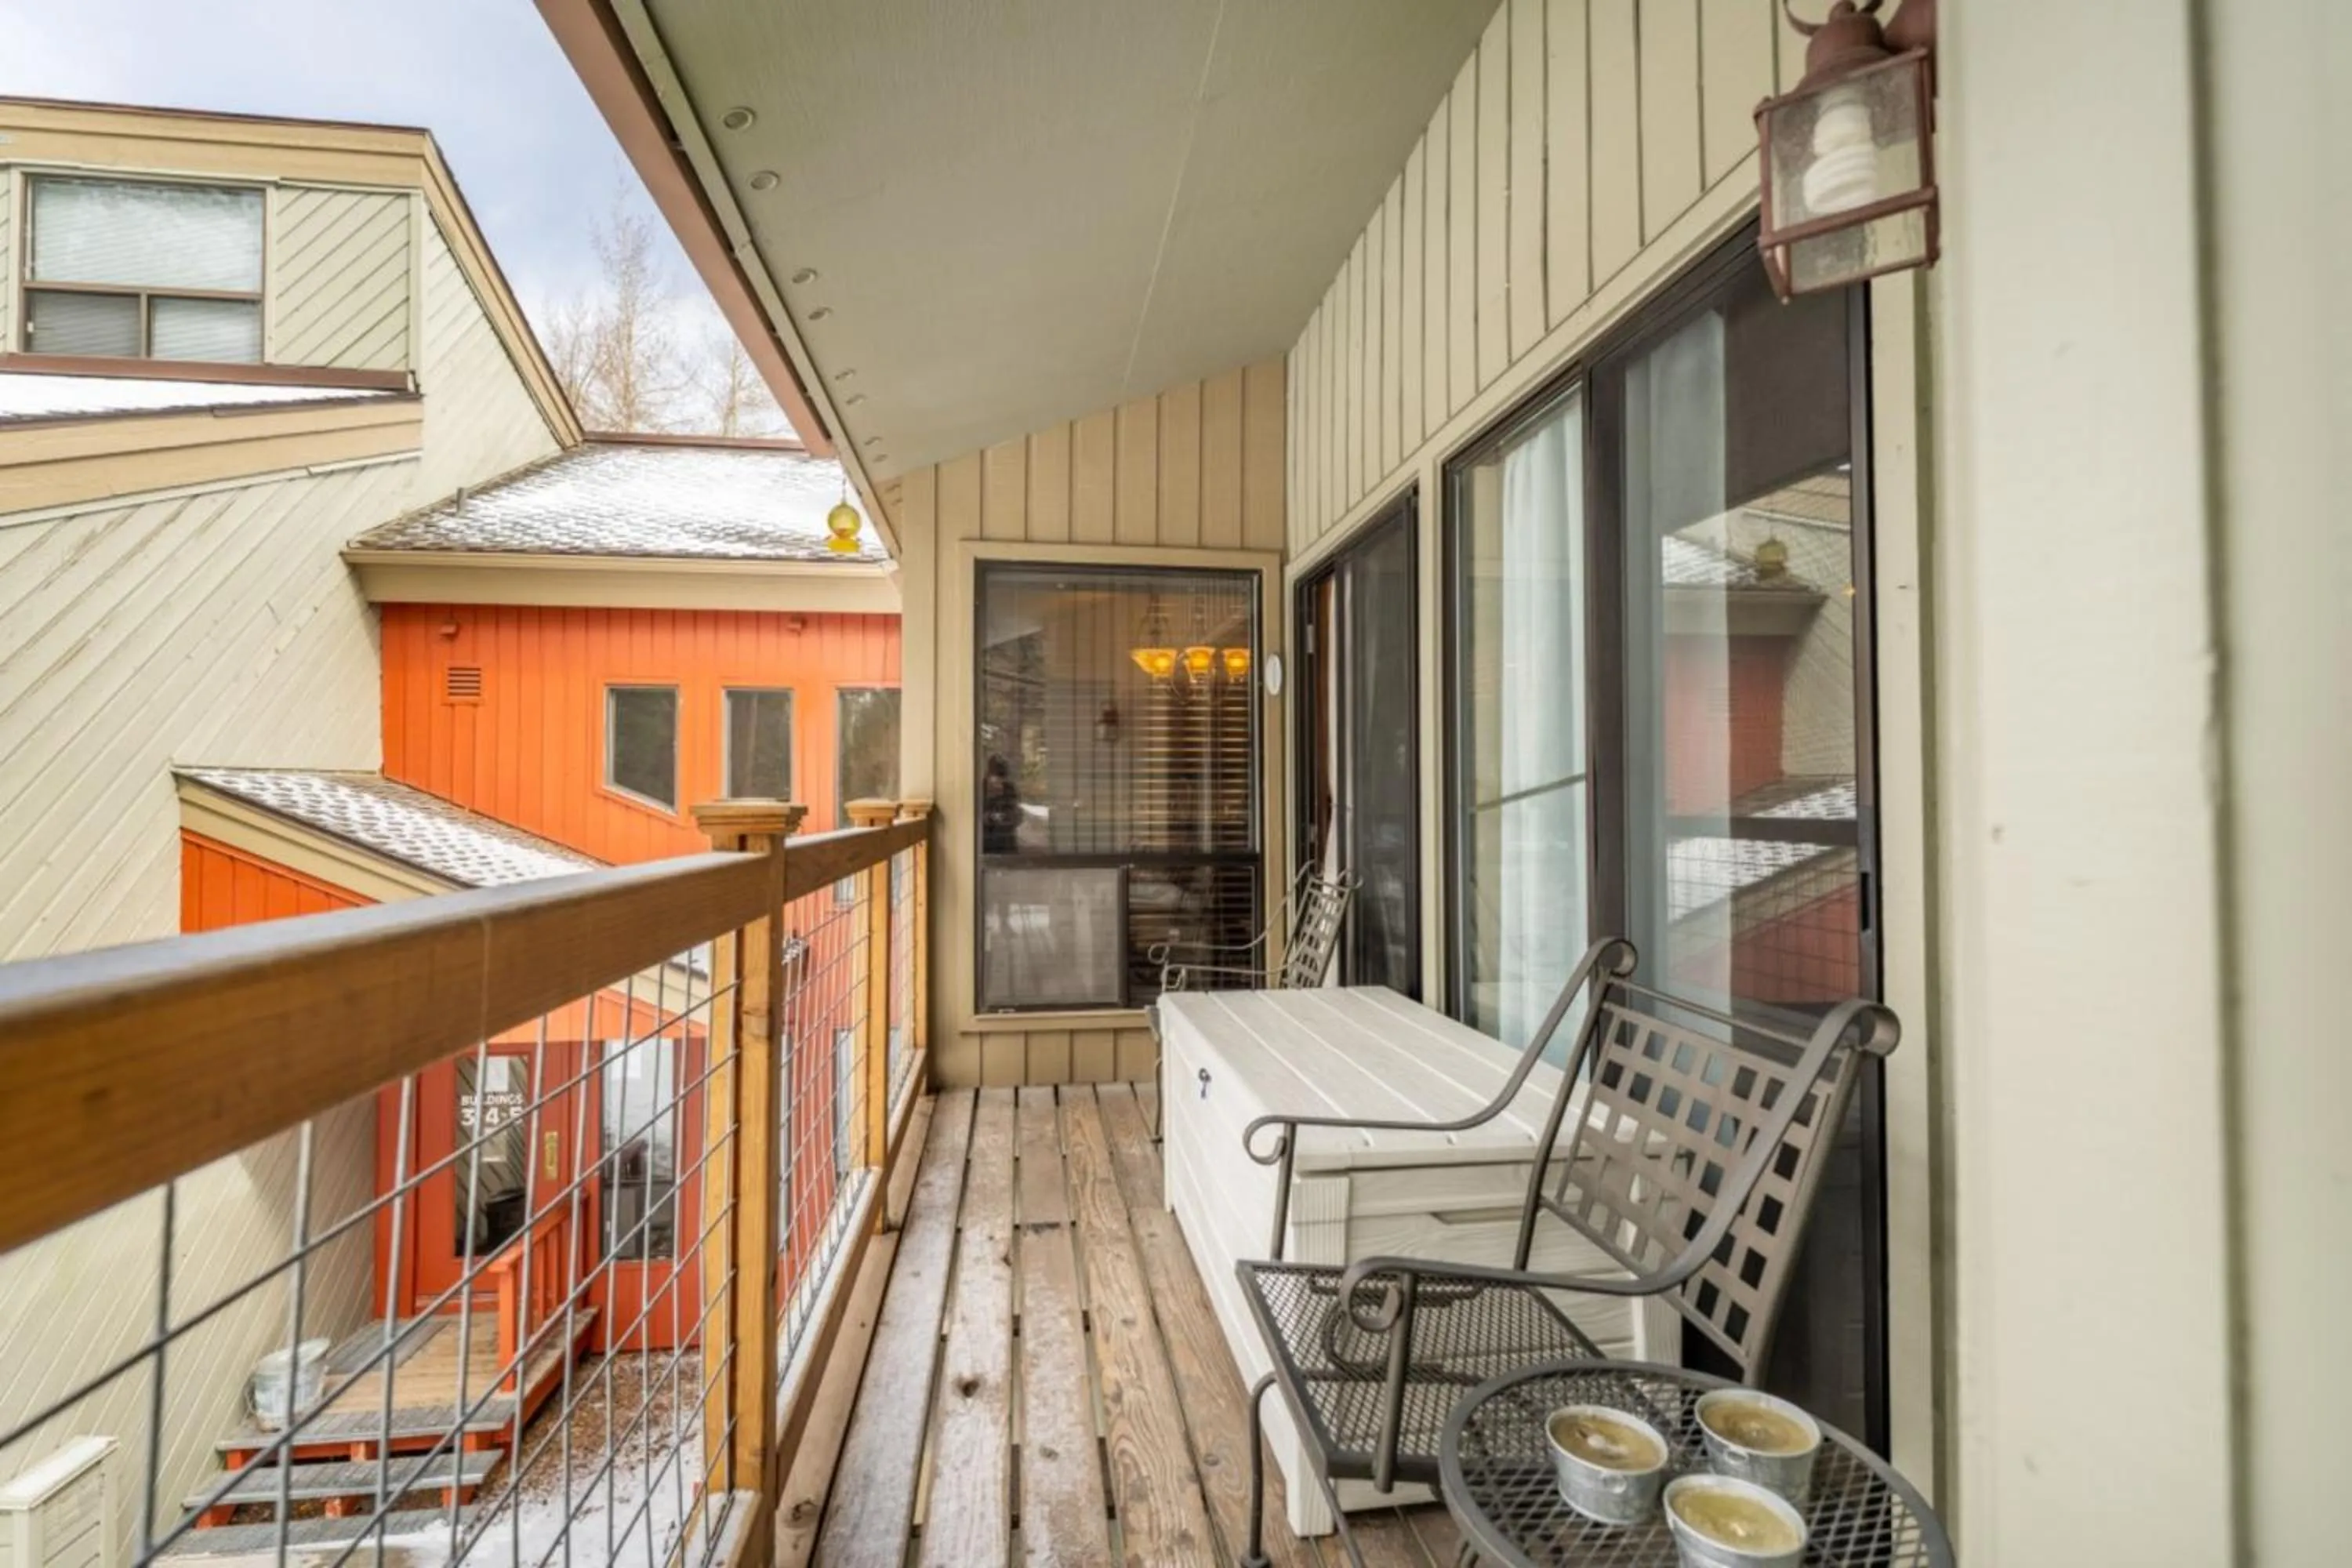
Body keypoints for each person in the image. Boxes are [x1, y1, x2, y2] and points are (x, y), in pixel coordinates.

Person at [981, 753, 1021, 854]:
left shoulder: (1009, 789)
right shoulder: (980, 790)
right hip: (986, 843)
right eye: (995, 778)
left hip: (1006, 843)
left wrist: (1005, 817)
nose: (998, 782)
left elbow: (1015, 814)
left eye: (1001, 779)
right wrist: (989, 817)